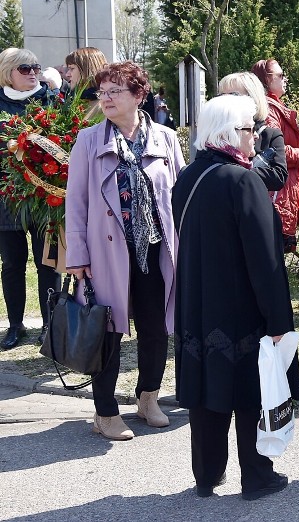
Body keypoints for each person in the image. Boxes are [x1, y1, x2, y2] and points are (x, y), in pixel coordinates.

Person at [172, 95, 299, 501]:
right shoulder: (243, 180)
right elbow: (265, 260)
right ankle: (257, 476)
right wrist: (280, 320)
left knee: (208, 388)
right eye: (251, 130)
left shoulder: (189, 176)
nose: (256, 139)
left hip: (197, 299)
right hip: (241, 303)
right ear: (231, 133)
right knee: (251, 388)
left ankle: (207, 475)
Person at [65, 61, 184, 440]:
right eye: (103, 91)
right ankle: (105, 411)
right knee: (107, 329)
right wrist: (78, 257)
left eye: (115, 90)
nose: (106, 98)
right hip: (105, 253)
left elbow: (179, 196)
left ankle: (148, 397)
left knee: (156, 327)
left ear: (139, 95)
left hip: (155, 249)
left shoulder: (165, 138)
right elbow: (76, 203)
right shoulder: (88, 140)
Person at [0, 47, 57, 350]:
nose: (33, 72)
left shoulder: (50, 100)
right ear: (7, 70)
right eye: (24, 68)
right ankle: (15, 325)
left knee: (47, 262)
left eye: (35, 66)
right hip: (6, 195)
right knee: (12, 264)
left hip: (44, 194)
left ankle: (50, 324)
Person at [251, 59, 299, 252]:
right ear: (266, 80)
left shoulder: (275, 106)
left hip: (284, 187)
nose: (285, 79)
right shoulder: (269, 109)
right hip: (277, 190)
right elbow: (274, 150)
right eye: (280, 75)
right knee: (274, 250)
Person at [217, 72, 287, 192]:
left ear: (253, 98)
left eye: (233, 95)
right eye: (221, 96)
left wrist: (239, 172)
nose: (225, 101)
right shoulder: (215, 134)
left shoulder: (269, 135)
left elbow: (278, 177)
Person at [64, 47, 108, 119]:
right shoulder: (73, 101)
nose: (67, 74)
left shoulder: (105, 104)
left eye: (72, 68)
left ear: (87, 70)